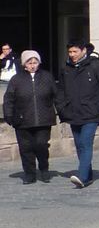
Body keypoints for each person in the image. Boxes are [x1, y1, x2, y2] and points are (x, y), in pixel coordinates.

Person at [58, 38, 99, 187]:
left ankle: (81, 176)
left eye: (75, 51)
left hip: (91, 113)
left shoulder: (97, 66)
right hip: (73, 112)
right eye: (70, 51)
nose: (72, 54)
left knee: (85, 142)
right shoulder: (66, 69)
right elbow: (61, 90)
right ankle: (87, 175)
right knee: (79, 144)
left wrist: (98, 107)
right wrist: (62, 107)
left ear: (84, 51)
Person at [3, 50, 56, 183]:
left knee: (41, 145)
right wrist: (8, 115)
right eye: (29, 62)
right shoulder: (16, 79)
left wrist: (63, 110)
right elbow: (9, 98)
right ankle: (29, 174)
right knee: (26, 148)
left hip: (43, 119)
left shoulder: (47, 77)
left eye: (35, 62)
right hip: (22, 119)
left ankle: (44, 169)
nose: (32, 65)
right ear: (24, 64)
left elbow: (56, 95)